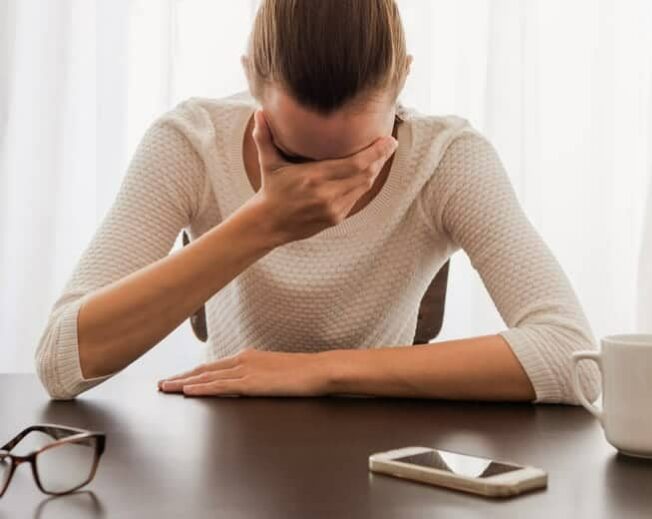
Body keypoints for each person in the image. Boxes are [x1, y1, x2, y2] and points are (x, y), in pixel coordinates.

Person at [36, 0, 600, 404]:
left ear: (402, 80)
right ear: (251, 79)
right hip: (227, 469)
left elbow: (572, 358)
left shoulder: (447, 159)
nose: (319, 187)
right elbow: (60, 363)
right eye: (295, 156)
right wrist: (262, 223)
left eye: (357, 158)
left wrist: (319, 372)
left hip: (382, 465)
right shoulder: (191, 142)